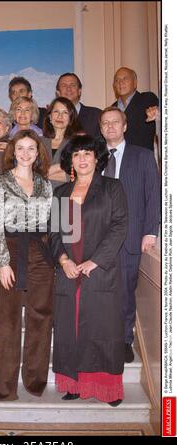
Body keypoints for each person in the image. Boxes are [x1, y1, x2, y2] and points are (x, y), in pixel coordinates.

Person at [49, 134, 128, 406]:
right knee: (70, 331)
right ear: (70, 160)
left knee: (102, 330)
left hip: (99, 272)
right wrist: (63, 261)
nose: (82, 159)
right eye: (76, 154)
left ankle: (106, 389)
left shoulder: (111, 188)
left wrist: (95, 261)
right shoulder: (60, 192)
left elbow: (119, 226)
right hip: (69, 273)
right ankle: (74, 384)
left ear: (97, 158)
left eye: (87, 154)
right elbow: (54, 234)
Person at [0, 130, 54, 402]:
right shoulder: (1, 183)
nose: (26, 153)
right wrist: (3, 263)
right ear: (13, 152)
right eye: (21, 148)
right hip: (12, 252)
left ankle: (35, 380)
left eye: (31, 148)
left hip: (40, 252)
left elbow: (50, 225)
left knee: (41, 316)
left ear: (38, 153)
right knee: (9, 320)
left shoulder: (45, 184)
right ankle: (3, 387)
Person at [99, 106, 160, 362]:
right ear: (100, 128)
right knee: (99, 291)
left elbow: (153, 195)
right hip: (98, 237)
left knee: (124, 290)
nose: (110, 126)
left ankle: (124, 339)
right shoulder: (93, 157)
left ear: (125, 126)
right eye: (105, 123)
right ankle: (102, 337)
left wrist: (150, 231)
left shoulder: (143, 156)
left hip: (131, 236)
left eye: (115, 122)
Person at [112, 67, 159, 151]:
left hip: (142, 158)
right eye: (117, 80)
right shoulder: (112, 109)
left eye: (125, 78)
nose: (120, 82)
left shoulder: (147, 99)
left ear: (135, 83)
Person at [42, 97, 84, 189]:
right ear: (50, 116)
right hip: (39, 197)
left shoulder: (77, 143)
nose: (60, 116)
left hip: (68, 197)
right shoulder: (38, 141)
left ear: (70, 118)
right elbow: (29, 171)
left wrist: (42, 174)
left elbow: (78, 174)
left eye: (65, 112)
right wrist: (62, 168)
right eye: (56, 111)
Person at [56, 72, 101, 137]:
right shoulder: (51, 118)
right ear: (58, 93)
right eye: (64, 85)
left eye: (73, 85)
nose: (68, 88)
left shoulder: (96, 115)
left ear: (79, 91)